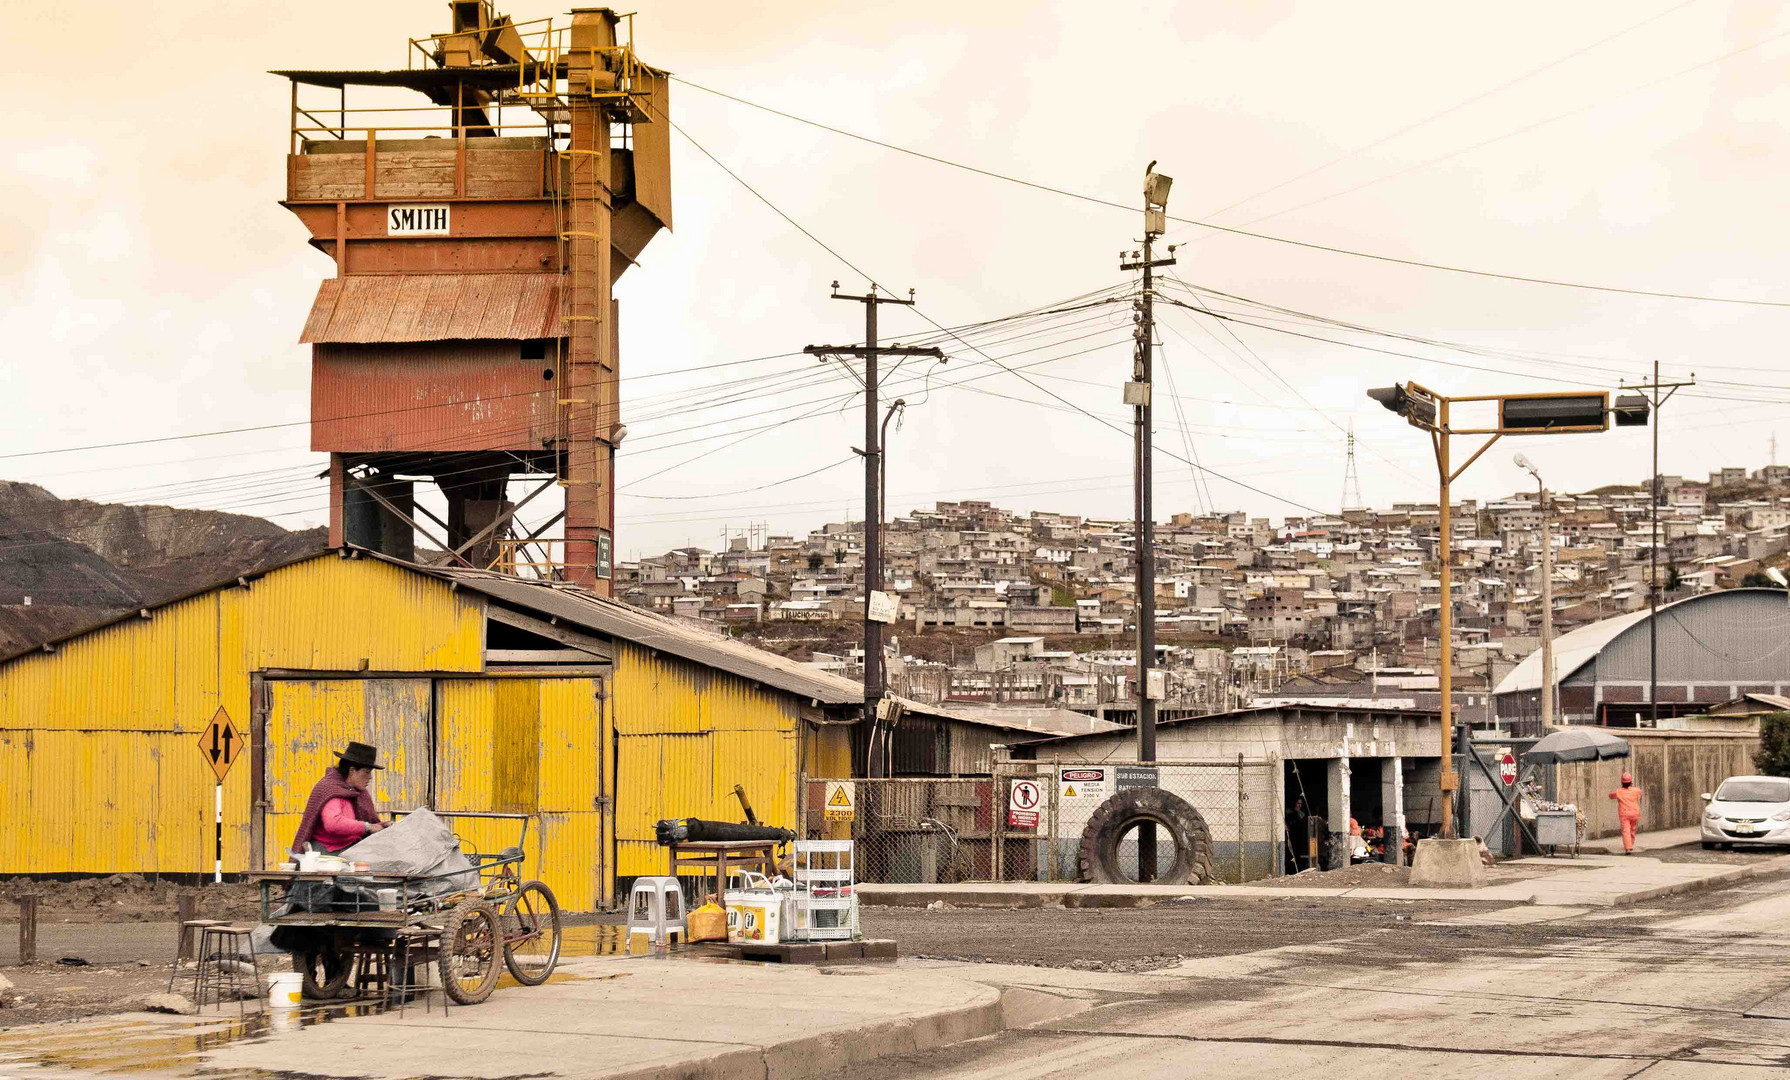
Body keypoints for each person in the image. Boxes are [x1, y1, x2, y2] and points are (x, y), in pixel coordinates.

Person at [291, 742, 388, 855]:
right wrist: (367, 827)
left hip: (348, 848)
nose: (370, 777)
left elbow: (369, 821)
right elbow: (333, 823)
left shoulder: (357, 792)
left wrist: (383, 825)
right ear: (352, 771)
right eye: (366, 772)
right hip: (327, 852)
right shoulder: (331, 789)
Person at [1609, 772, 1644, 854]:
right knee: (1632, 829)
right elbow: (1640, 792)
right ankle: (1631, 844)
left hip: (1624, 814)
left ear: (1622, 782)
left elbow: (1611, 795)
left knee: (1626, 830)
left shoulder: (1619, 791)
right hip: (1635, 813)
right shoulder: (1636, 790)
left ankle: (1628, 848)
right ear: (1631, 782)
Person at [1284, 795, 1310, 872]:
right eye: (1297, 803)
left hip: (1300, 837)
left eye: (1300, 804)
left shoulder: (1302, 814)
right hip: (1291, 836)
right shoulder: (1289, 812)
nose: (1299, 805)